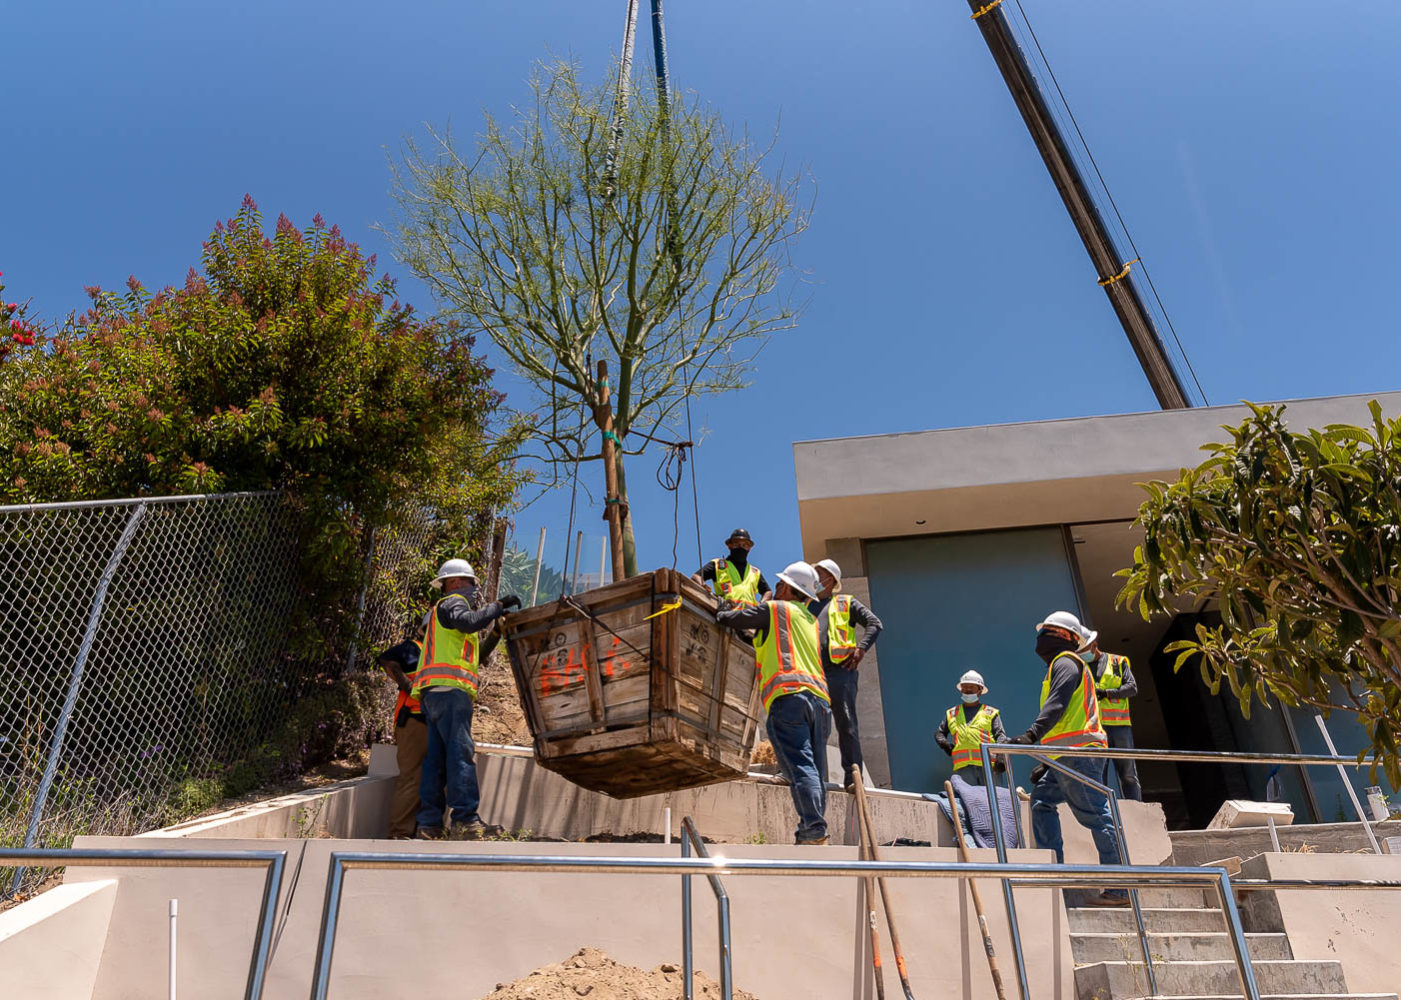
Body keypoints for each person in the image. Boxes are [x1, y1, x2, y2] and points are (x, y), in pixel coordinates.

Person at [1008, 610, 1128, 907]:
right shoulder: (1060, 665)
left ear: (1070, 638)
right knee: (1041, 802)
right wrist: (1047, 763)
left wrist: (1031, 736)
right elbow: (1066, 721)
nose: (1042, 637)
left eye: (1050, 631)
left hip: (1080, 754)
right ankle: (1056, 874)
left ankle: (1122, 888)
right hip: (1067, 756)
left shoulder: (1066, 662)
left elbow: (1058, 704)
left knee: (1096, 814)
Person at [717, 561, 832, 844]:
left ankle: (814, 829)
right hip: (819, 702)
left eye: (780, 585)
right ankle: (814, 830)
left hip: (788, 698)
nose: (776, 588)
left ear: (788, 588)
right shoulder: (810, 620)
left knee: (800, 766)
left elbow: (733, 619)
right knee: (814, 769)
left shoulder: (775, 609)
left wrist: (720, 609)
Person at [411, 558, 522, 840]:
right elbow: (469, 621)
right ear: (456, 582)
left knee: (436, 760)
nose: (475, 589)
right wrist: (497, 606)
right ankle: (465, 820)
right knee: (460, 754)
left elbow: (479, 656)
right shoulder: (452, 604)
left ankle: (429, 824)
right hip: (450, 692)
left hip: (434, 693)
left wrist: (496, 631)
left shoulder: (444, 616)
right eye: (472, 583)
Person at [809, 558, 882, 789]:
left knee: (847, 724)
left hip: (841, 672)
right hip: (813, 674)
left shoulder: (845, 603)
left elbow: (874, 623)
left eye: (818, 574)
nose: (815, 579)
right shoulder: (804, 605)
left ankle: (853, 777)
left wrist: (861, 649)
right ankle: (815, 776)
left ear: (830, 579)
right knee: (814, 727)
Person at [377, 615, 428, 839]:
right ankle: (400, 833)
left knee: (431, 777)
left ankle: (423, 829)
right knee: (412, 778)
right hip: (414, 720)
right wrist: (406, 685)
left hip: (433, 721)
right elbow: (387, 659)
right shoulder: (414, 648)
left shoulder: (442, 653)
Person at [1081, 633, 1143, 801]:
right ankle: (1105, 811)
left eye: (1085, 650)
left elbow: (1132, 687)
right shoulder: (1083, 668)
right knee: (1099, 776)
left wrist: (1108, 693)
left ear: (1094, 645)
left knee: (1128, 774)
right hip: (1096, 730)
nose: (1083, 654)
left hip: (1119, 727)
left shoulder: (1117, 662)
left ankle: (1136, 807)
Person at [935, 670, 1006, 787]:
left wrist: (1001, 757)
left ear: (980, 691)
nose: (967, 690)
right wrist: (944, 743)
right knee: (968, 802)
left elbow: (1001, 736)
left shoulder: (990, 713)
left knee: (992, 802)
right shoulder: (952, 713)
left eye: (971, 687)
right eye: (964, 687)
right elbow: (940, 732)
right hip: (964, 768)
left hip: (988, 767)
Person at [692, 528, 772, 606]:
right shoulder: (719, 565)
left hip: (749, 616)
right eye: (737, 544)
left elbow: (768, 591)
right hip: (727, 613)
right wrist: (704, 587)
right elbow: (696, 576)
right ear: (729, 546)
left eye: (744, 545)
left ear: (749, 548)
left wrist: (761, 605)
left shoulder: (755, 572)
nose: (741, 547)